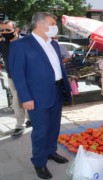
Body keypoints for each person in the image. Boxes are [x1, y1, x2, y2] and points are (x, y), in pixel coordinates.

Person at [9, 12, 72, 179]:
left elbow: (57, 68)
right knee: (41, 130)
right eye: (52, 23)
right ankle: (39, 162)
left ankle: (50, 152)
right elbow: (18, 74)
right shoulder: (20, 45)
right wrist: (25, 98)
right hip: (36, 96)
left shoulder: (53, 44)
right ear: (40, 24)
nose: (55, 27)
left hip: (57, 91)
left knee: (53, 126)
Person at [0, 20, 32, 137]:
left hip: (25, 77)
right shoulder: (3, 43)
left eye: (7, 30)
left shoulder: (26, 41)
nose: (4, 32)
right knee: (23, 100)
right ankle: (30, 119)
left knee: (16, 102)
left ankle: (19, 126)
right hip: (10, 77)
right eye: (2, 30)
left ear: (16, 29)